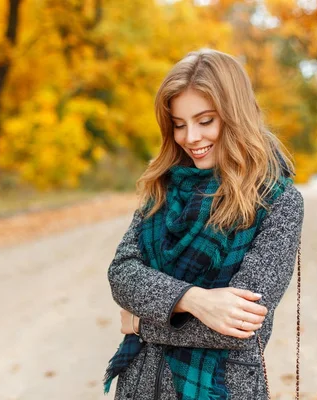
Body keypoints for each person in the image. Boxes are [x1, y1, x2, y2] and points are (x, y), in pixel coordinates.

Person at [103, 48, 304, 400]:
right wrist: (193, 300)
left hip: (221, 389)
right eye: (179, 125)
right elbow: (122, 274)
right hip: (139, 386)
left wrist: (139, 322)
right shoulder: (164, 187)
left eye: (205, 120)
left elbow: (238, 327)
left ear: (235, 114)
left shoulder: (278, 202)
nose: (190, 137)